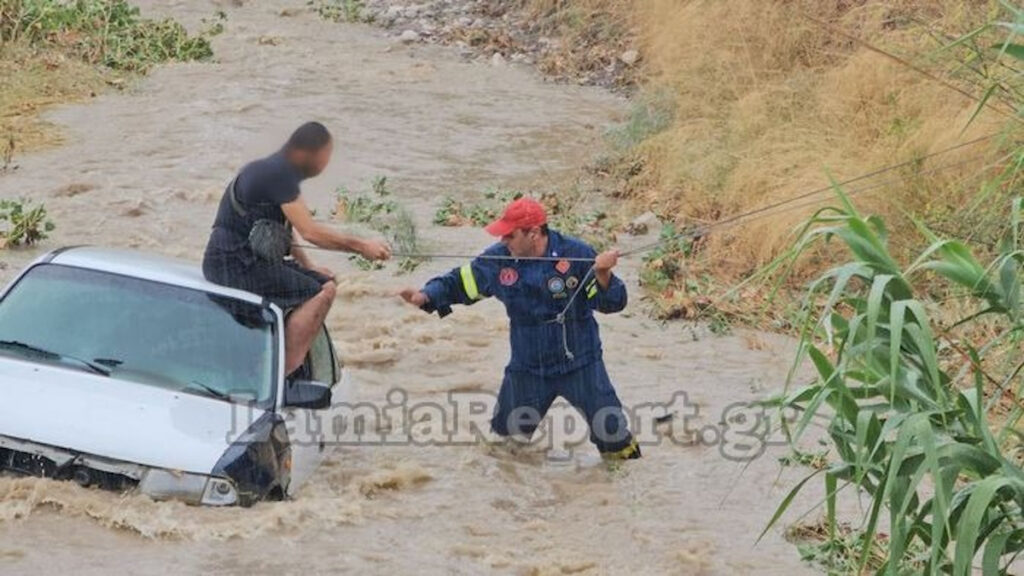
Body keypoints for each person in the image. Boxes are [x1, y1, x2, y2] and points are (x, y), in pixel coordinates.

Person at [399, 197, 641, 460]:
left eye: (510, 235)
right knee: (505, 448)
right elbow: (460, 282)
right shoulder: (498, 259)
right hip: (528, 368)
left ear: (533, 233)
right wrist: (426, 296)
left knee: (613, 434)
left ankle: (622, 488)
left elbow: (611, 303)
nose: (504, 241)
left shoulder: (577, 254)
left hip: (581, 364)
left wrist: (603, 275)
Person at [203, 121, 391, 375]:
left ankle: (275, 354)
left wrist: (310, 267)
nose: (325, 166)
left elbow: (285, 234)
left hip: (232, 262)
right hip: (236, 265)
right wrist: (362, 246)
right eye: (325, 157)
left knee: (321, 280)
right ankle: (286, 372)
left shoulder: (272, 171)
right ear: (307, 153)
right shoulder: (278, 175)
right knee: (321, 291)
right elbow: (311, 232)